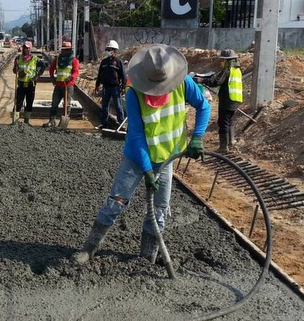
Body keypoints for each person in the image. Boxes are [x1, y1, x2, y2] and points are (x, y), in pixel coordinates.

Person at [72, 44, 210, 265]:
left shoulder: (183, 83)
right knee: (116, 201)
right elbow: (136, 135)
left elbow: (204, 107)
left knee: (159, 211)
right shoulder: (134, 92)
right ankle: (89, 249)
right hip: (137, 158)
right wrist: (146, 169)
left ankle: (147, 258)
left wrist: (197, 136)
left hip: (166, 159)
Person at [194, 49, 243, 153]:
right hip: (235, 100)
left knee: (223, 122)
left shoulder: (227, 70)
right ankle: (231, 142)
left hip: (227, 100)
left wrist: (202, 80)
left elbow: (216, 81)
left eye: (223, 60)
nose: (221, 62)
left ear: (226, 60)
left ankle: (223, 147)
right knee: (229, 121)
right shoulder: (237, 70)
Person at [43, 41, 79, 128]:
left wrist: (71, 77)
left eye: (66, 50)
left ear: (69, 50)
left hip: (68, 85)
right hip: (58, 85)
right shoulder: (58, 59)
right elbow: (51, 69)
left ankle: (64, 122)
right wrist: (52, 77)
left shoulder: (73, 60)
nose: (64, 51)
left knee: (67, 105)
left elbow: (76, 71)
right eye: (63, 49)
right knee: (54, 103)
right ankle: (52, 121)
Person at [12, 40, 46, 125]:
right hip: (21, 84)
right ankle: (15, 121)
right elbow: (14, 71)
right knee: (18, 102)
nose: (25, 49)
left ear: (30, 48)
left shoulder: (35, 59)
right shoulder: (18, 58)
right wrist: (16, 68)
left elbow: (43, 66)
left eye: (27, 48)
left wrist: (36, 76)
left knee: (29, 103)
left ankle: (26, 121)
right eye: (24, 47)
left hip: (31, 84)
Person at [95, 40, 126, 129]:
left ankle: (121, 123)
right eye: (107, 49)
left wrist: (123, 86)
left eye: (110, 49)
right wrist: (97, 85)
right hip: (106, 87)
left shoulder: (118, 62)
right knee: (104, 106)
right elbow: (100, 74)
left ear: (114, 51)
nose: (108, 51)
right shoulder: (103, 62)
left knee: (118, 106)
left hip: (115, 88)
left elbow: (123, 75)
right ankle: (104, 123)